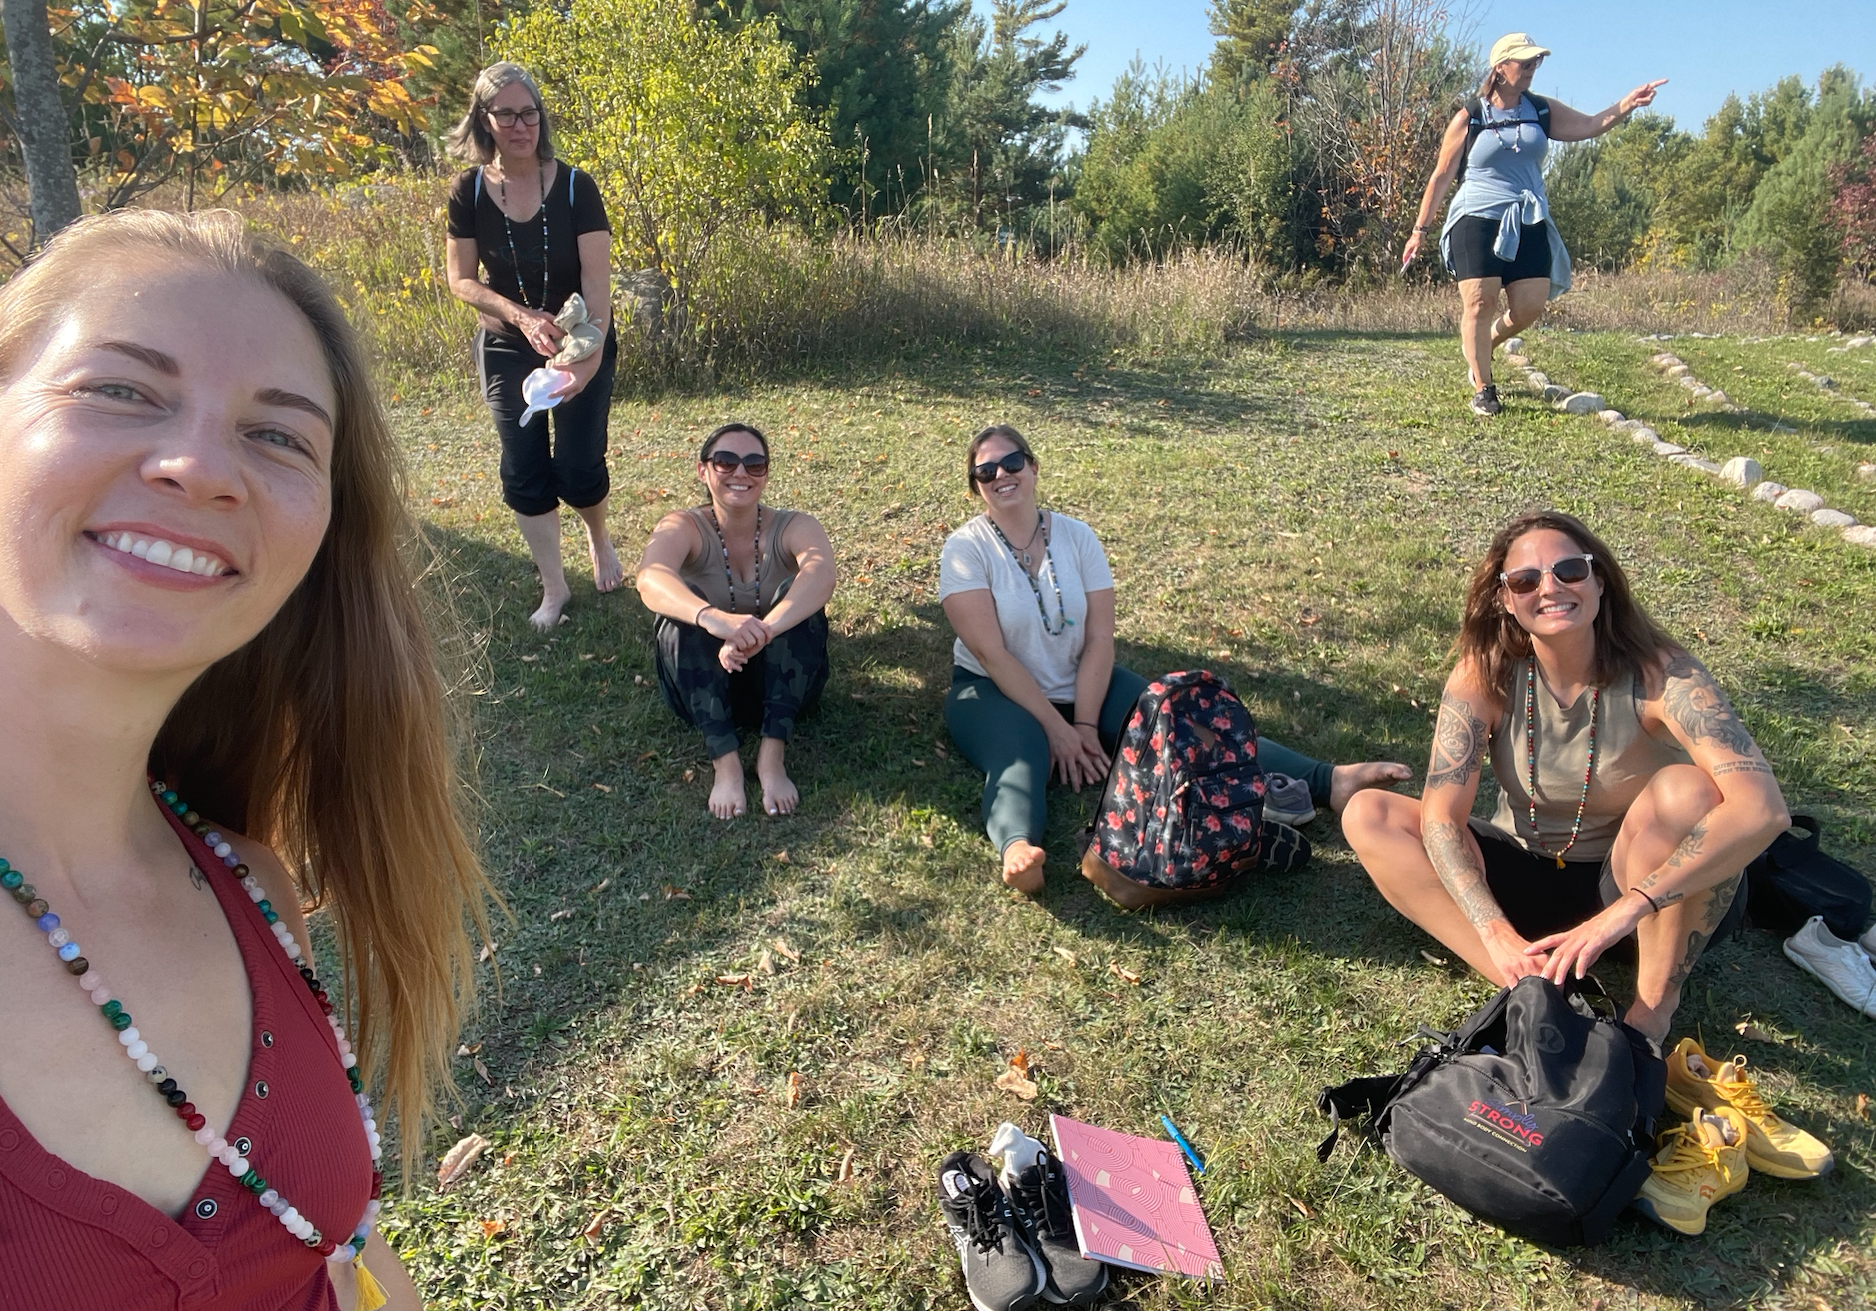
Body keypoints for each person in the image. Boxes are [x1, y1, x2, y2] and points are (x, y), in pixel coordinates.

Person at [0, 210, 494, 1308]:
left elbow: (345, 1261)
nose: (198, 466)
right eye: (120, 389)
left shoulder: (249, 886)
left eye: (279, 436)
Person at [1342, 510, 1790, 1045]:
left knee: (1689, 791)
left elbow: (1762, 808)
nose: (1550, 588)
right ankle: (1523, 982)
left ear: (1600, 580)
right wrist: (1494, 929)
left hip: (1639, 898)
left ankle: (1649, 1011)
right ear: (1506, 599)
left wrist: (1627, 910)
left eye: (1570, 570)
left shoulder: (1664, 674)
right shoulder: (1484, 675)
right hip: (1527, 873)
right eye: (1527, 581)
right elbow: (1442, 815)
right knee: (1368, 812)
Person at [939, 425, 1411, 897]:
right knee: (1023, 756)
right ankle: (1019, 849)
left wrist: (1083, 727)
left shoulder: (1076, 537)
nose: (1001, 474)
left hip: (1082, 679)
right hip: (992, 691)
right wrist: (1056, 731)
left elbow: (1100, 639)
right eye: (985, 471)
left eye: (1012, 462)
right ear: (975, 486)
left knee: (1180, 724)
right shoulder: (966, 548)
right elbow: (990, 653)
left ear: (1033, 467)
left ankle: (1331, 781)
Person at [1398, 33, 1667, 418]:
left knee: (1529, 307)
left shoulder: (1541, 110)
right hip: (1476, 216)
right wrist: (1419, 230)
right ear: (1500, 68)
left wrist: (1627, 104)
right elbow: (1441, 175)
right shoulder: (1470, 116)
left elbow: (1590, 125)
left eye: (1535, 62)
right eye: (1524, 63)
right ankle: (1483, 386)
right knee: (1479, 302)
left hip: (1527, 216)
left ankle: (1481, 345)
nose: (1531, 69)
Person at [444, 61, 621, 630]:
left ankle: (598, 536)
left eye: (529, 113)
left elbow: (597, 283)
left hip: (579, 338)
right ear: (484, 119)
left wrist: (586, 360)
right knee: (522, 466)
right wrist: (518, 317)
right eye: (506, 114)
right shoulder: (468, 191)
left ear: (541, 117)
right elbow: (461, 279)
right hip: (507, 344)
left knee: (577, 463)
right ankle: (554, 587)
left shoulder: (576, 186)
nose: (521, 126)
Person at [634, 424, 836, 819]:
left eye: (754, 463)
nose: (740, 473)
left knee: (799, 602)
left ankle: (771, 755)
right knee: (679, 613)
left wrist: (763, 632)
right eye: (725, 461)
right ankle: (725, 762)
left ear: (766, 473)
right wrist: (714, 620)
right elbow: (650, 578)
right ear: (703, 470)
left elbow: (821, 575)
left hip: (786, 684)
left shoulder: (794, 525)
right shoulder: (684, 525)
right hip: (699, 686)